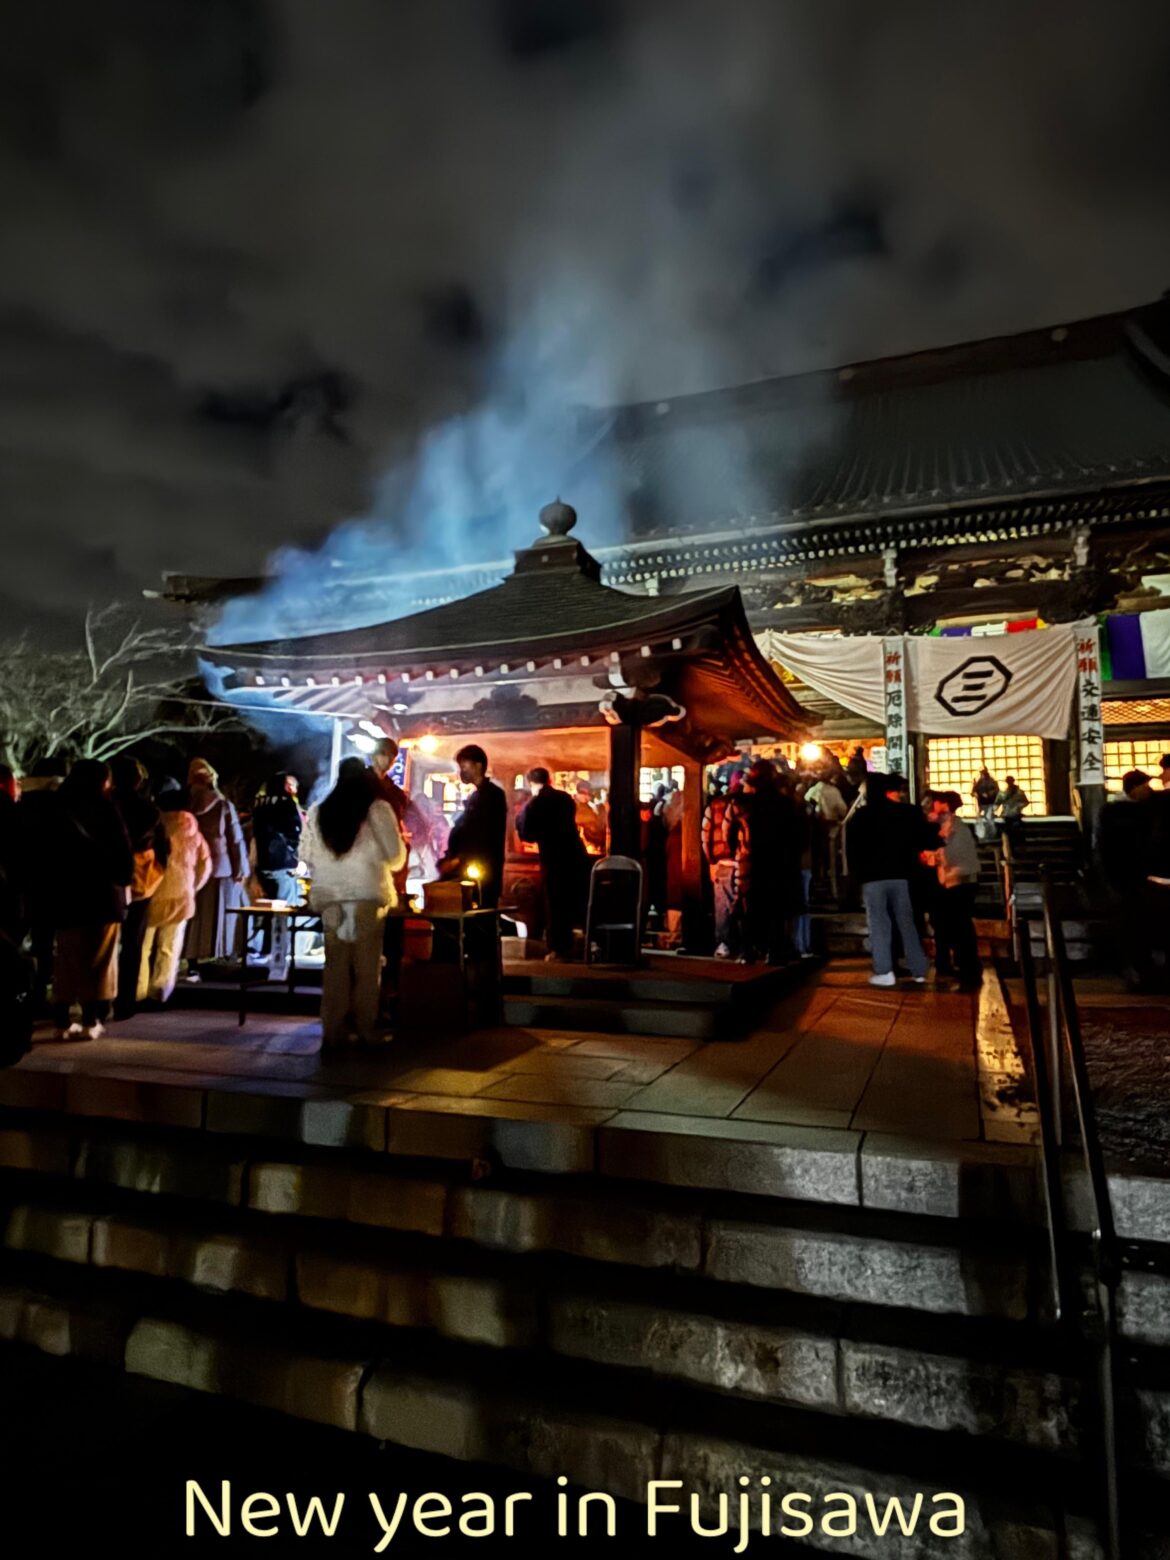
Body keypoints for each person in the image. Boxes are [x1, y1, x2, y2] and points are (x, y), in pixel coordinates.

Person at [300, 757, 405, 1047]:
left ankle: (333, 1031)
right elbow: (395, 856)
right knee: (367, 968)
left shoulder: (319, 811)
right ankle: (366, 1028)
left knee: (335, 967)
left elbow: (305, 854)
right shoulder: (377, 809)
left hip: (330, 898)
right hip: (366, 896)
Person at [48, 759, 134, 1038]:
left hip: (65, 894)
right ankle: (90, 1019)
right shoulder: (106, 808)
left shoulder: (58, 806)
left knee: (67, 958)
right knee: (99, 960)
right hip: (102, 894)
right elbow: (122, 852)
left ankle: (61, 1020)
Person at [845, 772, 931, 987]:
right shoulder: (908, 812)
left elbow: (853, 851)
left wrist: (856, 876)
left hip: (873, 878)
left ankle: (885, 970)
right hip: (902, 875)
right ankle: (919, 969)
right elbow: (922, 839)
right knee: (907, 923)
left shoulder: (861, 816)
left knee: (879, 924)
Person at [138, 779, 212, 1005]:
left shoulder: (154, 827)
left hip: (152, 893)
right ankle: (160, 991)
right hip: (182, 895)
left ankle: (138, 990)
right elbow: (205, 865)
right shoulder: (194, 831)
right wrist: (192, 886)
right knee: (169, 947)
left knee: (143, 946)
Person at [110, 756, 170, 1021]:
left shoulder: (105, 805)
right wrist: (156, 872)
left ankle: (98, 998)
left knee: (104, 942)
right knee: (133, 942)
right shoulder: (148, 810)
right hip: (142, 880)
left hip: (107, 879)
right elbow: (164, 848)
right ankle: (125, 1001)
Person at [725, 759, 802, 965]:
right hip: (779, 863)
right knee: (776, 909)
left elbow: (730, 835)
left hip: (750, 862)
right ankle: (774, 950)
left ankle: (748, 950)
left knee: (748, 907)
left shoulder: (742, 804)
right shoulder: (785, 804)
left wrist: (737, 851)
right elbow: (798, 836)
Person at [515, 768, 589, 960]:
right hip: (576, 853)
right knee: (580, 897)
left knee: (556, 902)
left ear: (531, 783)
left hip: (553, 857)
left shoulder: (534, 804)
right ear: (549, 780)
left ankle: (560, 948)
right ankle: (590, 943)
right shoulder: (565, 798)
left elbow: (526, 833)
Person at [184, 760, 248, 968]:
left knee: (194, 916)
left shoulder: (185, 804)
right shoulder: (222, 805)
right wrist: (240, 869)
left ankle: (191, 961)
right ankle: (219, 955)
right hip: (221, 866)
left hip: (191, 866)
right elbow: (235, 839)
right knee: (220, 915)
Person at [17, 757, 66, 1011]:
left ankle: (26, 989)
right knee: (50, 942)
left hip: (23, 882)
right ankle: (44, 991)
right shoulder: (64, 806)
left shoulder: (22, 804)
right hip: (55, 882)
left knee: (26, 939)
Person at [438, 745, 508, 909]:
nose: (461, 772)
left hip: (482, 871)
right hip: (471, 868)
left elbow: (482, 834)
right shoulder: (476, 796)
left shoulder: (492, 795)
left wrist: (457, 859)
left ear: (478, 766)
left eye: (464, 767)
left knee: (480, 912)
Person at [926, 791, 982, 990]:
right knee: (957, 926)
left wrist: (929, 856)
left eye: (936, 802)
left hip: (961, 882)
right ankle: (963, 966)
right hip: (953, 882)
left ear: (945, 805)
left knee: (961, 927)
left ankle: (969, 969)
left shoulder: (957, 828)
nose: (932, 806)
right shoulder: (949, 826)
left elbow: (948, 855)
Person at [702, 776, 738, 958]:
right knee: (742, 904)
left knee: (722, 906)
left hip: (721, 861)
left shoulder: (714, 805)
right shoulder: (744, 806)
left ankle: (724, 943)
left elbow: (705, 834)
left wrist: (711, 860)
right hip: (741, 860)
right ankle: (743, 943)